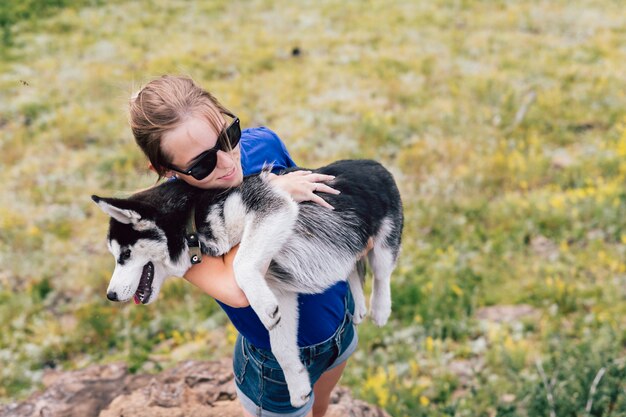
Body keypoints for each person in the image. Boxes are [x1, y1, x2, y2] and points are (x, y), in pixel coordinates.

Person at [128, 75, 368, 417]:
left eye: (228, 137)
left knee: (321, 407)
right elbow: (238, 290)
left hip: (337, 320)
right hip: (274, 363)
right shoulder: (173, 225)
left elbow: (315, 210)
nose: (227, 163)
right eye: (202, 164)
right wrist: (272, 198)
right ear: (164, 168)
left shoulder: (264, 145)